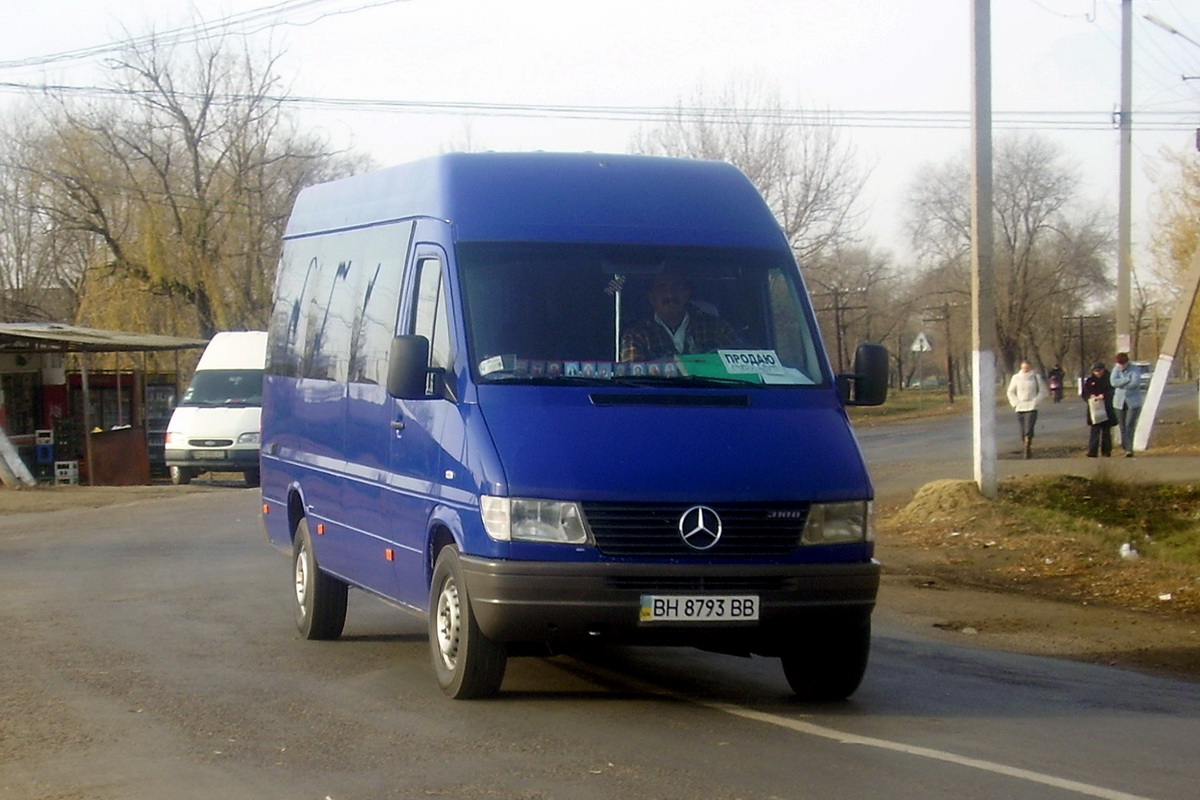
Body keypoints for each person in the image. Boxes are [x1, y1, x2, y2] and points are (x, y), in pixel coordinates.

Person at [619, 271, 738, 362]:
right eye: (662, 287)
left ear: (687, 293)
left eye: (676, 287)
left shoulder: (717, 328)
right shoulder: (636, 335)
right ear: (651, 297)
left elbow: (741, 365)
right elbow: (633, 379)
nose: (670, 294)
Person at [1006, 360, 1049, 459]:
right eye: (1023, 368)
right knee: (1022, 429)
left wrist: (1035, 401)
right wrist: (1015, 402)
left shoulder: (1035, 377)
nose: (1025, 370)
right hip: (1020, 406)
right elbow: (1010, 392)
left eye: (1027, 368)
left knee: (1029, 428)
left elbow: (1043, 391)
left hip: (1031, 406)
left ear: (1030, 367)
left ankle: (1027, 447)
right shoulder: (1016, 378)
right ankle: (1024, 444)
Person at [1110, 352, 1144, 458]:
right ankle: (1126, 447)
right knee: (1122, 426)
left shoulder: (1134, 369)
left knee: (1129, 424)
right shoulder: (1116, 369)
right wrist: (1126, 380)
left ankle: (1129, 449)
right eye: (1119, 363)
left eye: (1123, 363)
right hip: (1119, 402)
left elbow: (1135, 383)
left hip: (1133, 402)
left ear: (1127, 362)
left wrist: (1122, 384)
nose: (1121, 365)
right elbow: (1113, 382)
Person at [1081, 361, 1116, 458]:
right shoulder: (1090, 381)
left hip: (1106, 408)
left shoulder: (1109, 379)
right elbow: (1084, 393)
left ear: (1104, 370)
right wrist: (1090, 396)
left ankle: (1106, 451)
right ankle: (1092, 451)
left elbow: (1112, 391)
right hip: (1094, 409)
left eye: (1100, 370)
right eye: (1096, 371)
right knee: (1094, 430)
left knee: (1106, 431)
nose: (1098, 373)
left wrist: (1104, 396)